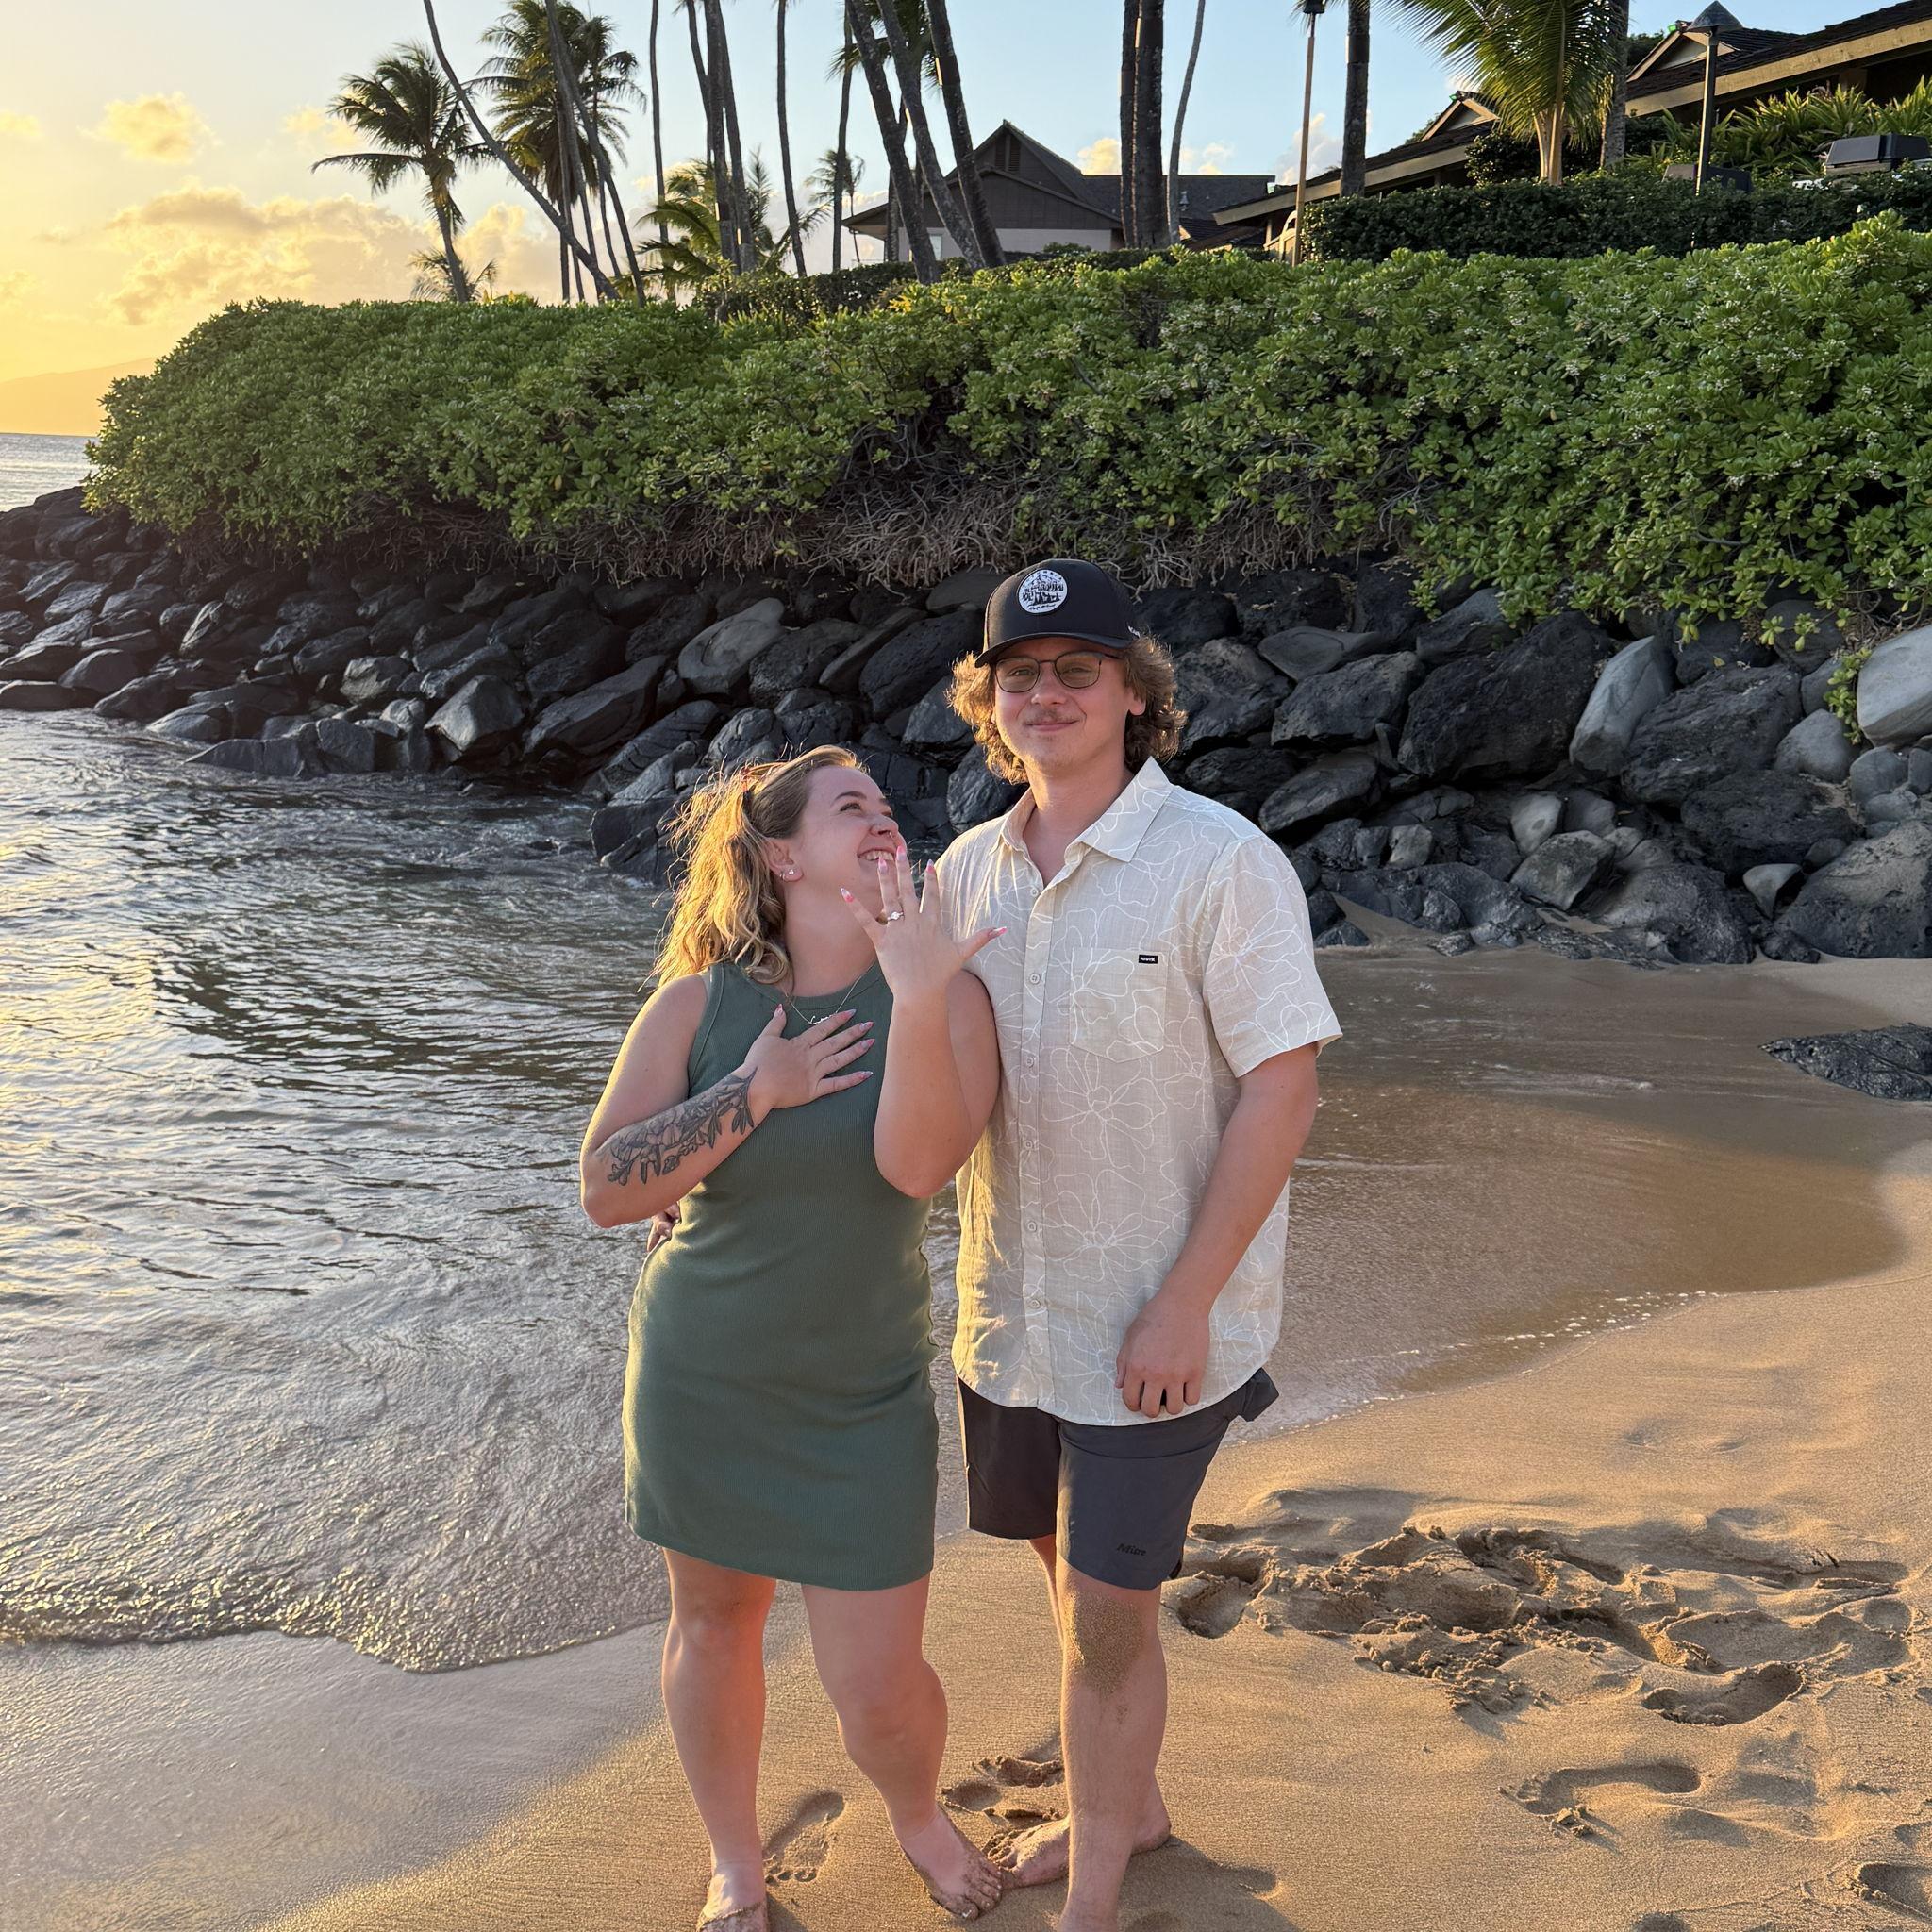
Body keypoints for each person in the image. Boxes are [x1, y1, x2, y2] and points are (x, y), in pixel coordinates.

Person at [932, 560, 1342, 1932]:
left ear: (1132, 695)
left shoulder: (1220, 861)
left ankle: (1099, 1873)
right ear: (988, 704)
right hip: (1010, 1312)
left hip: (1155, 1326)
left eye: (1077, 670)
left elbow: (1285, 1087)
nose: (1046, 693)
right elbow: (932, 1079)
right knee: (1066, 1575)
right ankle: (1136, 1805)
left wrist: (1185, 1302)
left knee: (1108, 1612)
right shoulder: (963, 874)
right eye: (1019, 674)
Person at [579, 745, 1008, 1930]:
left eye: (885, 806)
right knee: (715, 1627)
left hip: (861, 1390)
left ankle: (916, 1813)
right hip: (704, 1374)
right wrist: (752, 1091)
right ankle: (735, 1863)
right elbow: (607, 1187)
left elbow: (917, 1167)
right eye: (848, 808)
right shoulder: (698, 1006)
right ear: (781, 854)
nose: (881, 821)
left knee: (875, 1686)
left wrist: (914, 994)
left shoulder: (946, 989)